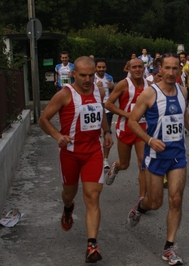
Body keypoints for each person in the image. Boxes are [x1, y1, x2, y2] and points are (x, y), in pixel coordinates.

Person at [127, 53, 189, 265]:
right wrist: (149, 140)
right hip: (155, 155)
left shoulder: (183, 90)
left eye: (175, 68)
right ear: (159, 69)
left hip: (177, 155)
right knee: (155, 202)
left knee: (176, 200)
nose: (171, 72)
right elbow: (132, 121)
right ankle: (141, 207)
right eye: (167, 68)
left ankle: (169, 247)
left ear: (180, 70)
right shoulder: (149, 94)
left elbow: (182, 113)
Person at [38, 56, 113, 263]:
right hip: (70, 153)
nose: (88, 79)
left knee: (92, 196)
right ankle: (68, 208)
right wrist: (58, 136)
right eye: (83, 75)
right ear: (73, 74)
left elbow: (102, 114)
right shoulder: (64, 94)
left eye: (90, 75)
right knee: (69, 194)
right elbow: (43, 120)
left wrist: (107, 132)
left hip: (93, 153)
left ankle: (92, 245)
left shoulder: (99, 91)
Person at [104, 58, 148, 201]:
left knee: (143, 163)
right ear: (128, 69)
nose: (137, 69)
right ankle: (115, 167)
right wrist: (127, 114)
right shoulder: (123, 84)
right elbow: (108, 104)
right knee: (125, 164)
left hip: (143, 129)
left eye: (140, 67)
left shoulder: (150, 85)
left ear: (144, 68)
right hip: (126, 128)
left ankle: (142, 198)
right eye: (133, 67)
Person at [94, 58, 115, 170]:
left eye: (103, 67)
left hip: (107, 110)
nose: (101, 69)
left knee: (107, 133)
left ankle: (105, 159)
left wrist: (112, 87)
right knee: (95, 134)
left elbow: (114, 92)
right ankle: (95, 157)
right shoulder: (91, 78)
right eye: (99, 67)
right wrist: (95, 87)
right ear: (96, 68)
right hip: (95, 109)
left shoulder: (109, 77)